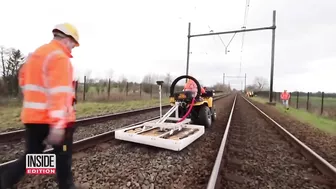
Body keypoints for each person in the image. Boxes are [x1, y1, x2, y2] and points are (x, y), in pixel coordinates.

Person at [0, 23, 80, 189]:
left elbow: (23, 81)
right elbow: (60, 94)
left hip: (32, 118)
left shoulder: (36, 55)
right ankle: (67, 186)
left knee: (32, 156)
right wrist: (58, 125)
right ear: (66, 39)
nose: (73, 48)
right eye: (73, 44)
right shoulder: (59, 57)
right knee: (63, 155)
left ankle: (7, 179)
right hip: (55, 120)